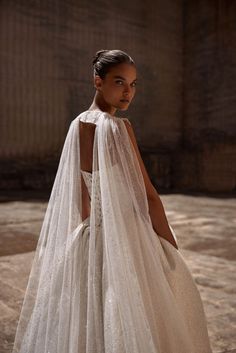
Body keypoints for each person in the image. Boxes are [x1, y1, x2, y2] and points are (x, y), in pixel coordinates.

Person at [12, 49, 213, 353]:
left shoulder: (78, 124)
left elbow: (83, 196)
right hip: (129, 233)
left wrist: (88, 241)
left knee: (89, 310)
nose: (128, 92)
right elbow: (147, 195)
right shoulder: (119, 127)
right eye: (119, 82)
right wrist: (170, 246)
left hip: (92, 232)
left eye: (133, 84)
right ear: (97, 81)